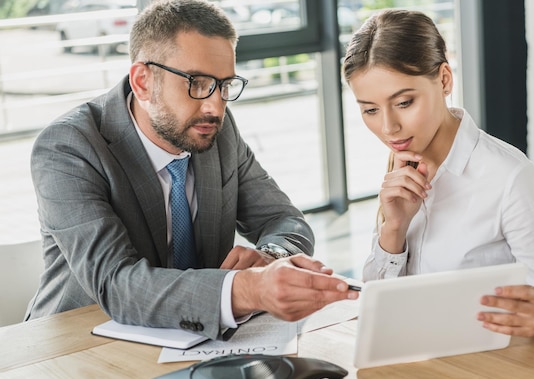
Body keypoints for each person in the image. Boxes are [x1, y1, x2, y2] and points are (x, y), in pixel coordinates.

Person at [26, 0, 358, 338]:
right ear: (143, 82)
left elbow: (285, 221)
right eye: (197, 83)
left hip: (195, 339)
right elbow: (115, 284)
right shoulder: (68, 147)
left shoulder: (216, 130)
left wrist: (269, 256)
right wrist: (247, 289)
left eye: (224, 85)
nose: (215, 106)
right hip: (78, 346)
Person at [342, 9, 534, 347]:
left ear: (444, 80)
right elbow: (377, 309)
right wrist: (394, 229)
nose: (388, 127)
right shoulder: (400, 168)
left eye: (404, 102)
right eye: (370, 110)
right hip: (415, 363)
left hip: (488, 374)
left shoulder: (510, 179)